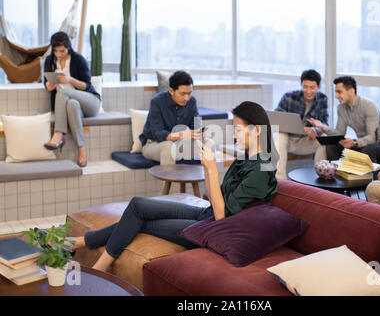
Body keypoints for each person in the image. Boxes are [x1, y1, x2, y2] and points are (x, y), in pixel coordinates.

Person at [68, 101, 279, 271]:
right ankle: (79, 243)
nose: (233, 135)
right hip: (207, 215)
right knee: (138, 205)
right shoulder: (245, 159)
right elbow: (215, 198)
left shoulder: (262, 170)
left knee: (141, 223)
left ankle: (98, 267)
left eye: (238, 130)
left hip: (215, 231)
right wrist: (207, 167)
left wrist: (212, 169)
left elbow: (223, 216)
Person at [43, 31, 101, 167]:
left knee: (63, 92)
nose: (58, 54)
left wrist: (70, 79)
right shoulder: (49, 60)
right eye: (55, 51)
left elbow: (87, 86)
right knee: (72, 105)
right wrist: (49, 85)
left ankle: (58, 134)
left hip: (90, 102)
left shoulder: (78, 60)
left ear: (68, 47)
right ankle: (82, 150)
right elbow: (46, 84)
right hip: (72, 105)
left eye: (62, 51)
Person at [308, 76, 380, 163]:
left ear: (352, 91)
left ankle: (367, 177)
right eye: (336, 92)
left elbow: (372, 138)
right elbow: (339, 133)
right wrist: (323, 127)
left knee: (367, 150)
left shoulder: (369, 106)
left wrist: (354, 142)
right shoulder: (341, 108)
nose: (336, 96)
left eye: (339, 92)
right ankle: (334, 174)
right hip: (362, 144)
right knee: (332, 146)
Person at [273, 69, 329, 180]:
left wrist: (316, 131)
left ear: (318, 86)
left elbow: (324, 124)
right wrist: (301, 128)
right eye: (305, 86)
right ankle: (280, 179)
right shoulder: (288, 97)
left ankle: (321, 177)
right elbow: (276, 121)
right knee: (278, 136)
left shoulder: (322, 99)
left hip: (306, 141)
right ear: (301, 85)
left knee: (323, 139)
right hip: (289, 140)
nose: (308, 91)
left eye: (312, 87)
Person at [139, 71, 199, 165]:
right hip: (153, 144)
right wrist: (182, 134)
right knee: (169, 147)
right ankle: (171, 180)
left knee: (209, 143)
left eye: (189, 93)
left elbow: (197, 126)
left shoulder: (192, 102)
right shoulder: (157, 101)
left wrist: (198, 133)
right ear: (171, 91)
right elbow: (158, 134)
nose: (186, 98)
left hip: (180, 143)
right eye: (182, 94)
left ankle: (210, 179)